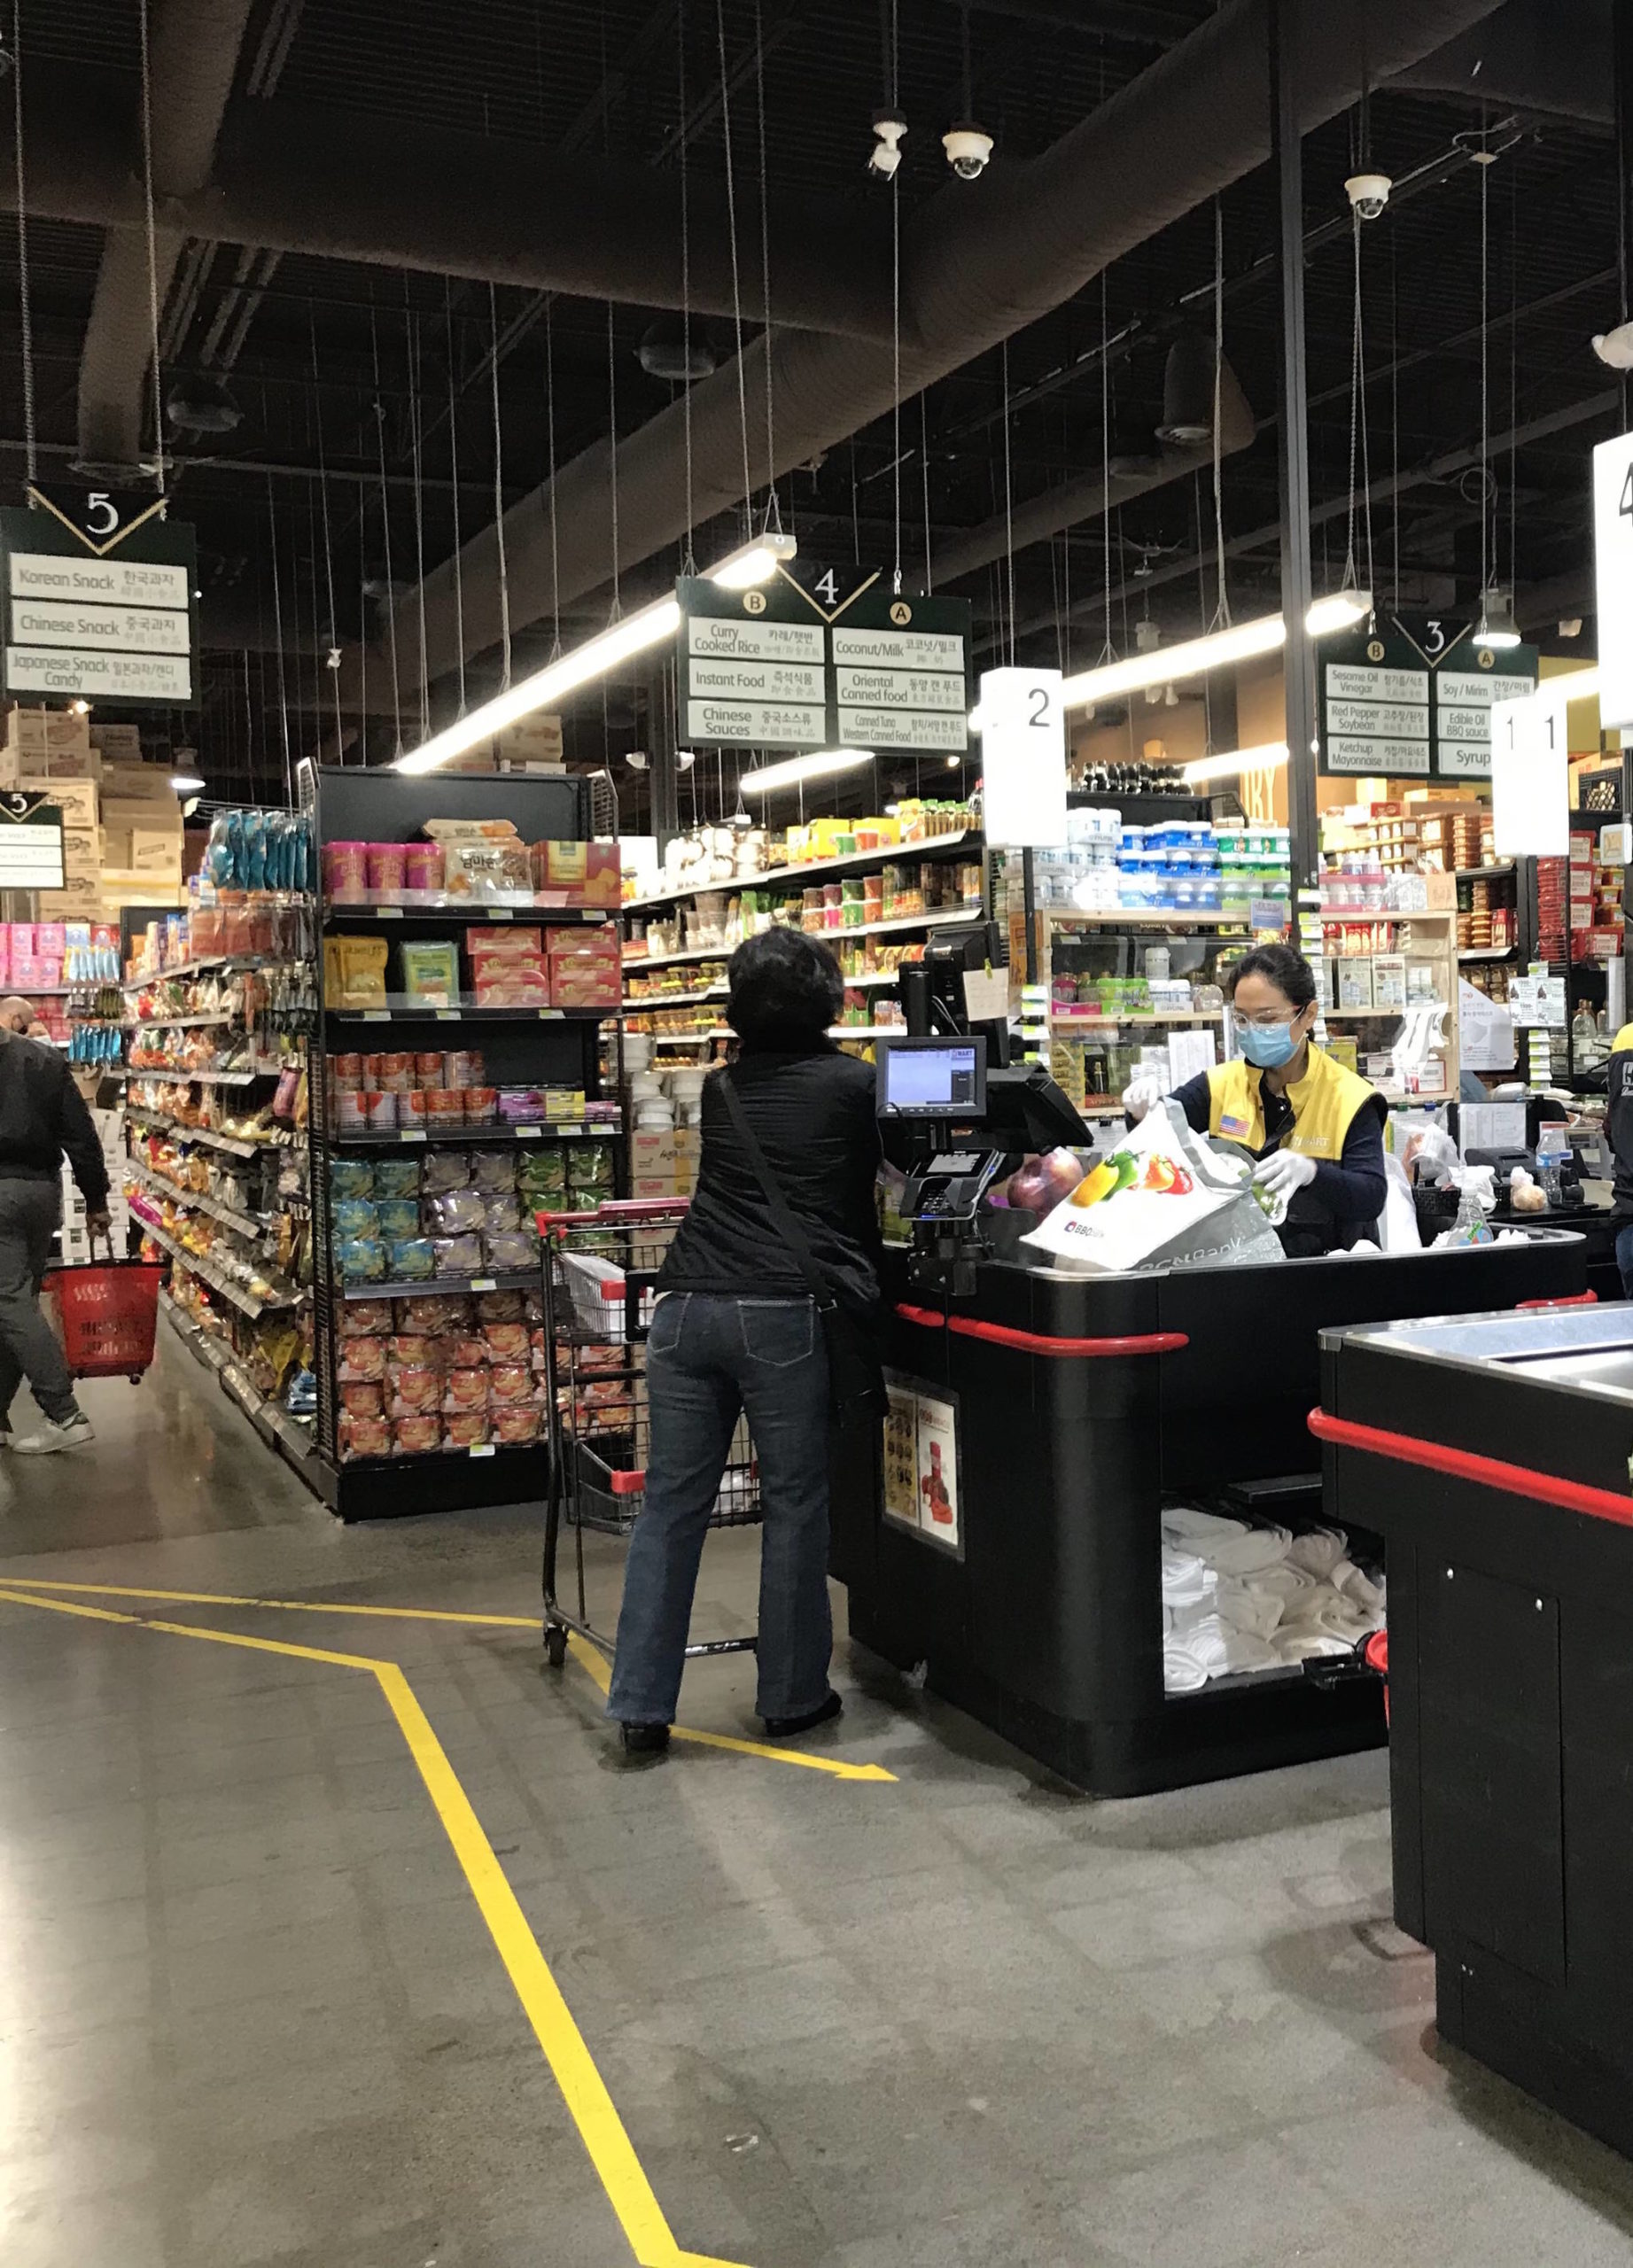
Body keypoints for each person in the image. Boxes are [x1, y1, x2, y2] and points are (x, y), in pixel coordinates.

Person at [607, 929, 883, 1756]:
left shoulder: (721, 1085)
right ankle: (792, 1697)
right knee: (794, 1504)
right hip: (779, 1315)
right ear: (829, 997)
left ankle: (640, 1704)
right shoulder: (854, 1085)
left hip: (684, 1308)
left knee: (670, 1507)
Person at [1124, 942, 1387, 1258]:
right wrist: (1141, 1113)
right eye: (1242, 1019)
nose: (1252, 1031)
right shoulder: (1220, 1084)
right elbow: (1158, 1139)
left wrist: (1312, 1173)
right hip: (1237, 1267)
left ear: (1308, 1015)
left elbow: (1371, 1196)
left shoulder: (1350, 1097)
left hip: (1324, 1271)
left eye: (1267, 1019)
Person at [0, 996, 111, 1452]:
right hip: (42, 1193)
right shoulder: (45, 1059)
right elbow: (81, 1135)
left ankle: (64, 1413)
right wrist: (96, 1200)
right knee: (16, 1303)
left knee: (9, 1300)